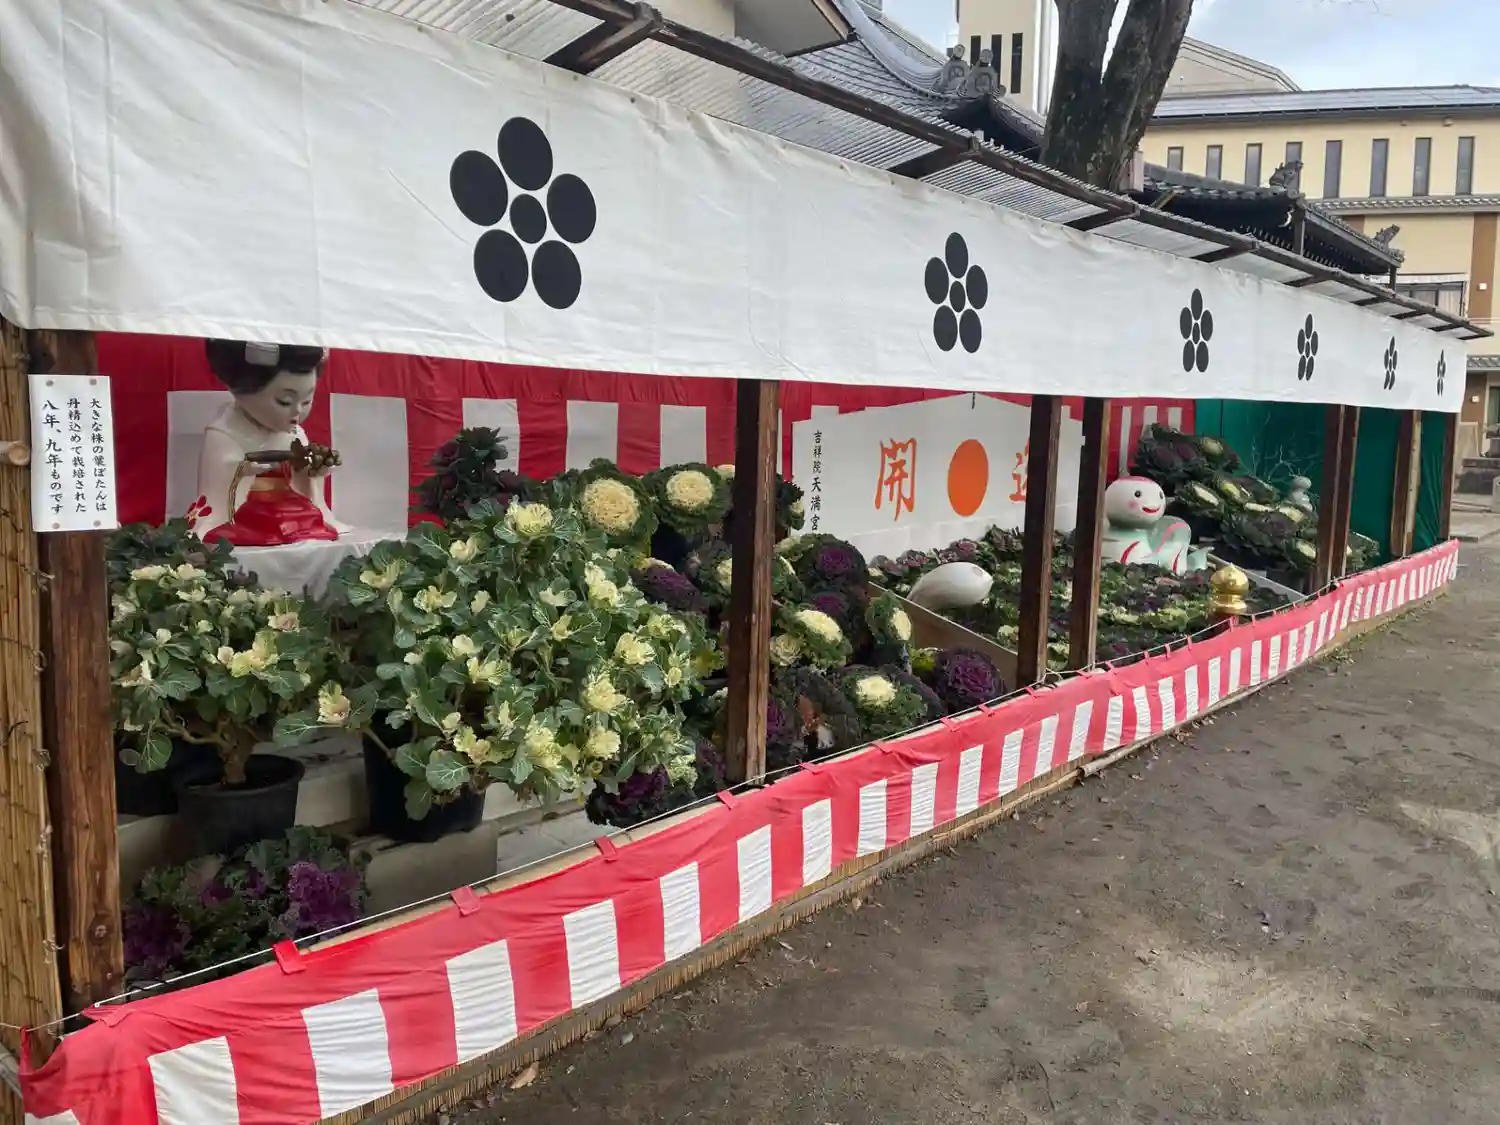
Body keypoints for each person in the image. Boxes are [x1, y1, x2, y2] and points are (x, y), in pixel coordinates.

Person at [194, 339, 341, 546]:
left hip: (292, 511)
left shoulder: (295, 434)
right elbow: (217, 489)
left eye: (307, 401)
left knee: (306, 523)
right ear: (242, 391)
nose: (297, 411)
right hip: (244, 515)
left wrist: (316, 470)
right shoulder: (224, 433)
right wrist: (244, 471)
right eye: (284, 401)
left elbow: (303, 480)